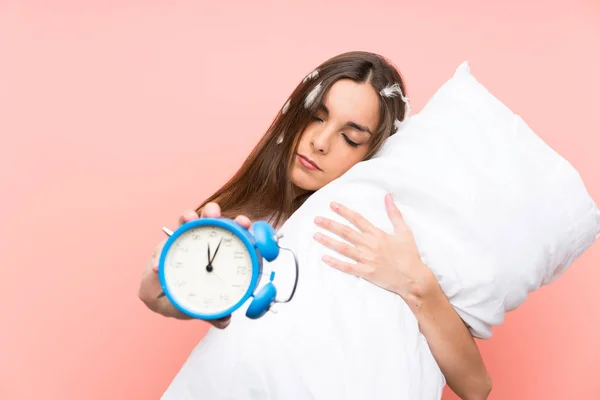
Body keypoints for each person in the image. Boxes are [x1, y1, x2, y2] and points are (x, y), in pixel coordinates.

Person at [138, 51, 492, 400]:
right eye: (316, 118)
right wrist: (168, 278)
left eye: (350, 138)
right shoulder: (244, 223)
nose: (319, 143)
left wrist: (415, 280)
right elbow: (159, 296)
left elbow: (476, 387)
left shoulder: (380, 227)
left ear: (374, 154)